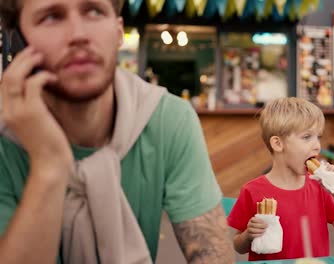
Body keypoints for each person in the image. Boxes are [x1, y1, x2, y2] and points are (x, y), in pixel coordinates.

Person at [0, 0, 234, 263]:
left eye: (94, 11)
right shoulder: (4, 138)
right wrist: (49, 166)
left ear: (119, 32)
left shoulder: (167, 119)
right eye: (51, 17)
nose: (78, 35)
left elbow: (214, 256)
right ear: (18, 41)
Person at [227, 97, 334, 261]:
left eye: (318, 137)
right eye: (307, 137)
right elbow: (238, 246)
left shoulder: (319, 187)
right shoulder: (252, 191)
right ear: (278, 144)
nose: (317, 145)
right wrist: (248, 235)